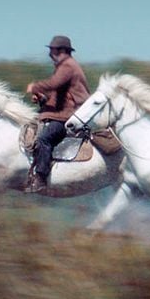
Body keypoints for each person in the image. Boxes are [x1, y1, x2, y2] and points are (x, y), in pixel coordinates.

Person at [23, 35, 90, 193]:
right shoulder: (65, 66)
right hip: (67, 111)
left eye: (52, 50)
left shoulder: (68, 66)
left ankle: (40, 179)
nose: (49, 54)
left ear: (61, 51)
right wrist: (43, 99)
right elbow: (59, 95)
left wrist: (35, 87)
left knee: (44, 139)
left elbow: (53, 84)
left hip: (71, 115)